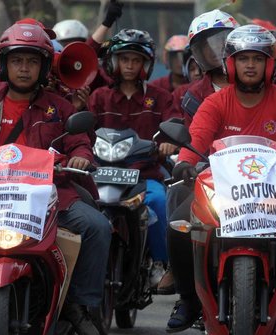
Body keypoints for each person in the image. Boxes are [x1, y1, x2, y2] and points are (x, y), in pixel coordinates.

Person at [0, 23, 110, 335]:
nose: (24, 68)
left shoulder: (59, 108)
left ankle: (79, 304)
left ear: (45, 66)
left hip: (50, 195)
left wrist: (80, 157)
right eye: (17, 60)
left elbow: (80, 142)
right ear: (3, 64)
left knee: (98, 226)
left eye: (32, 61)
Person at [166, 24, 276, 333]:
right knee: (180, 227)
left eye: (258, 58)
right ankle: (188, 299)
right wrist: (185, 162)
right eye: (244, 58)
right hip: (221, 192)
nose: (251, 65)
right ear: (230, 64)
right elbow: (196, 139)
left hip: (270, 193)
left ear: (269, 64)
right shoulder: (216, 102)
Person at [88, 28, 180, 294]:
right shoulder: (99, 97)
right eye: (124, 59)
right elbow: (84, 133)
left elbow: (173, 125)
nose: (129, 65)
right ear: (114, 62)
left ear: (146, 64)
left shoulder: (161, 98)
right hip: (101, 174)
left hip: (144, 175)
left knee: (159, 202)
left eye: (136, 60)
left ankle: (159, 265)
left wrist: (168, 142)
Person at [180, 1, 276, 122]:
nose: (215, 49)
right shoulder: (194, 97)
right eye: (206, 45)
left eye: (220, 41)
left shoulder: (264, 64)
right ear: (197, 52)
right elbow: (194, 144)